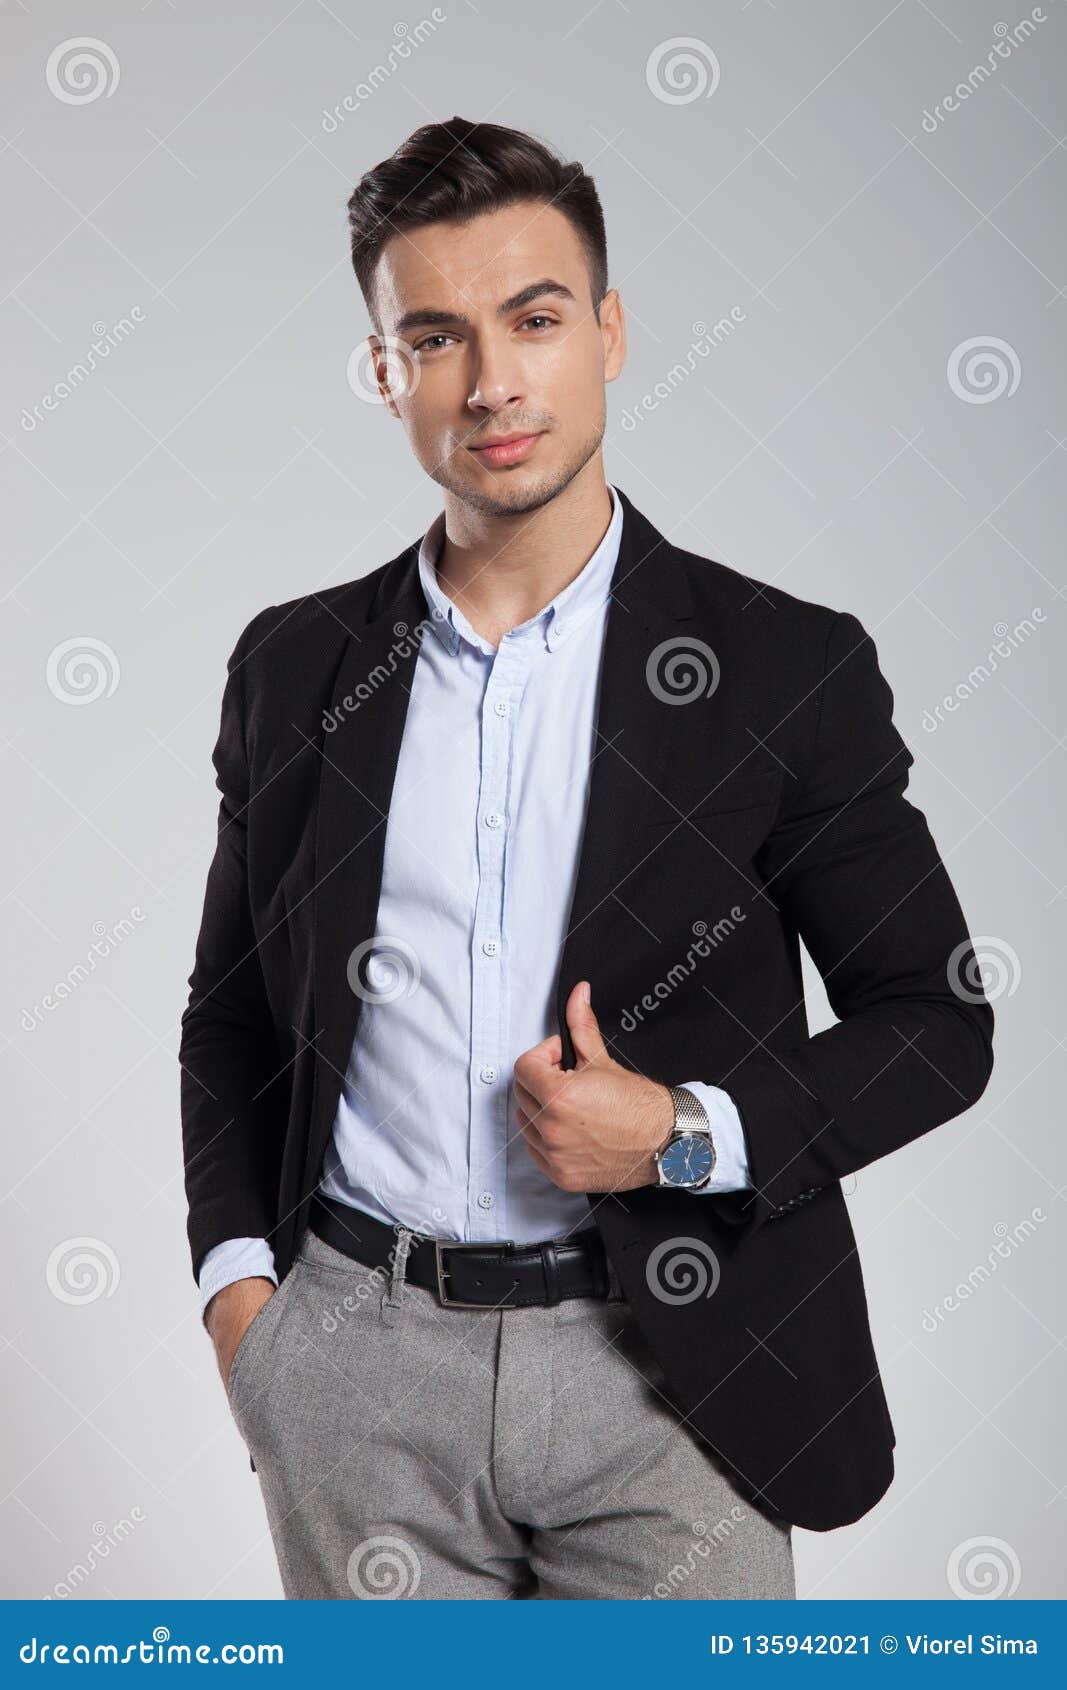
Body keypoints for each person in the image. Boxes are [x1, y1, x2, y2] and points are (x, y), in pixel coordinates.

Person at [180, 116, 994, 1600]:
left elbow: (937, 1024)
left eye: (535, 319)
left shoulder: (779, 670)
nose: (491, 381)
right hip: (359, 1377)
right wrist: (247, 1301)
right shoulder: (295, 666)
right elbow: (228, 1011)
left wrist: (684, 1129)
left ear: (609, 333)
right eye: (434, 337)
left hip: (673, 1383)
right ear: (383, 373)